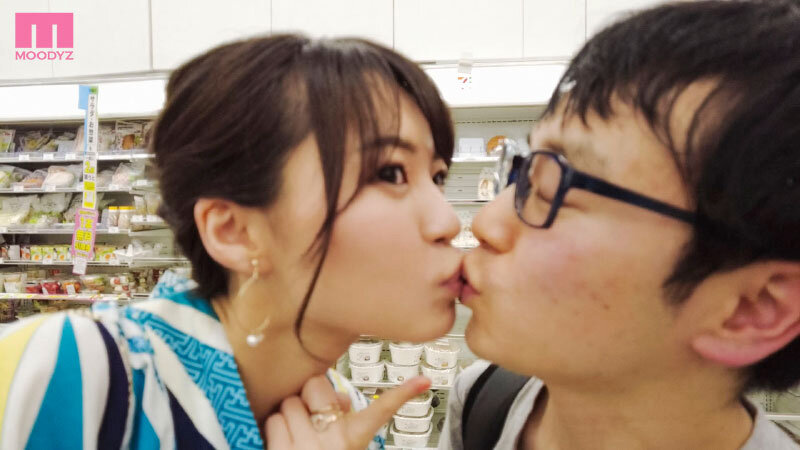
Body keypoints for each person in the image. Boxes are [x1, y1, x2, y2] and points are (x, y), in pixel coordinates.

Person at [0, 35, 464, 449]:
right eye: (391, 173)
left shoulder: (349, 419)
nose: (447, 220)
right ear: (233, 232)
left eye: (438, 177)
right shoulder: (65, 372)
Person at [437, 1, 800, 449]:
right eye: (525, 172)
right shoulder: (481, 401)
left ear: (751, 308)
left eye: (552, 186)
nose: (487, 222)